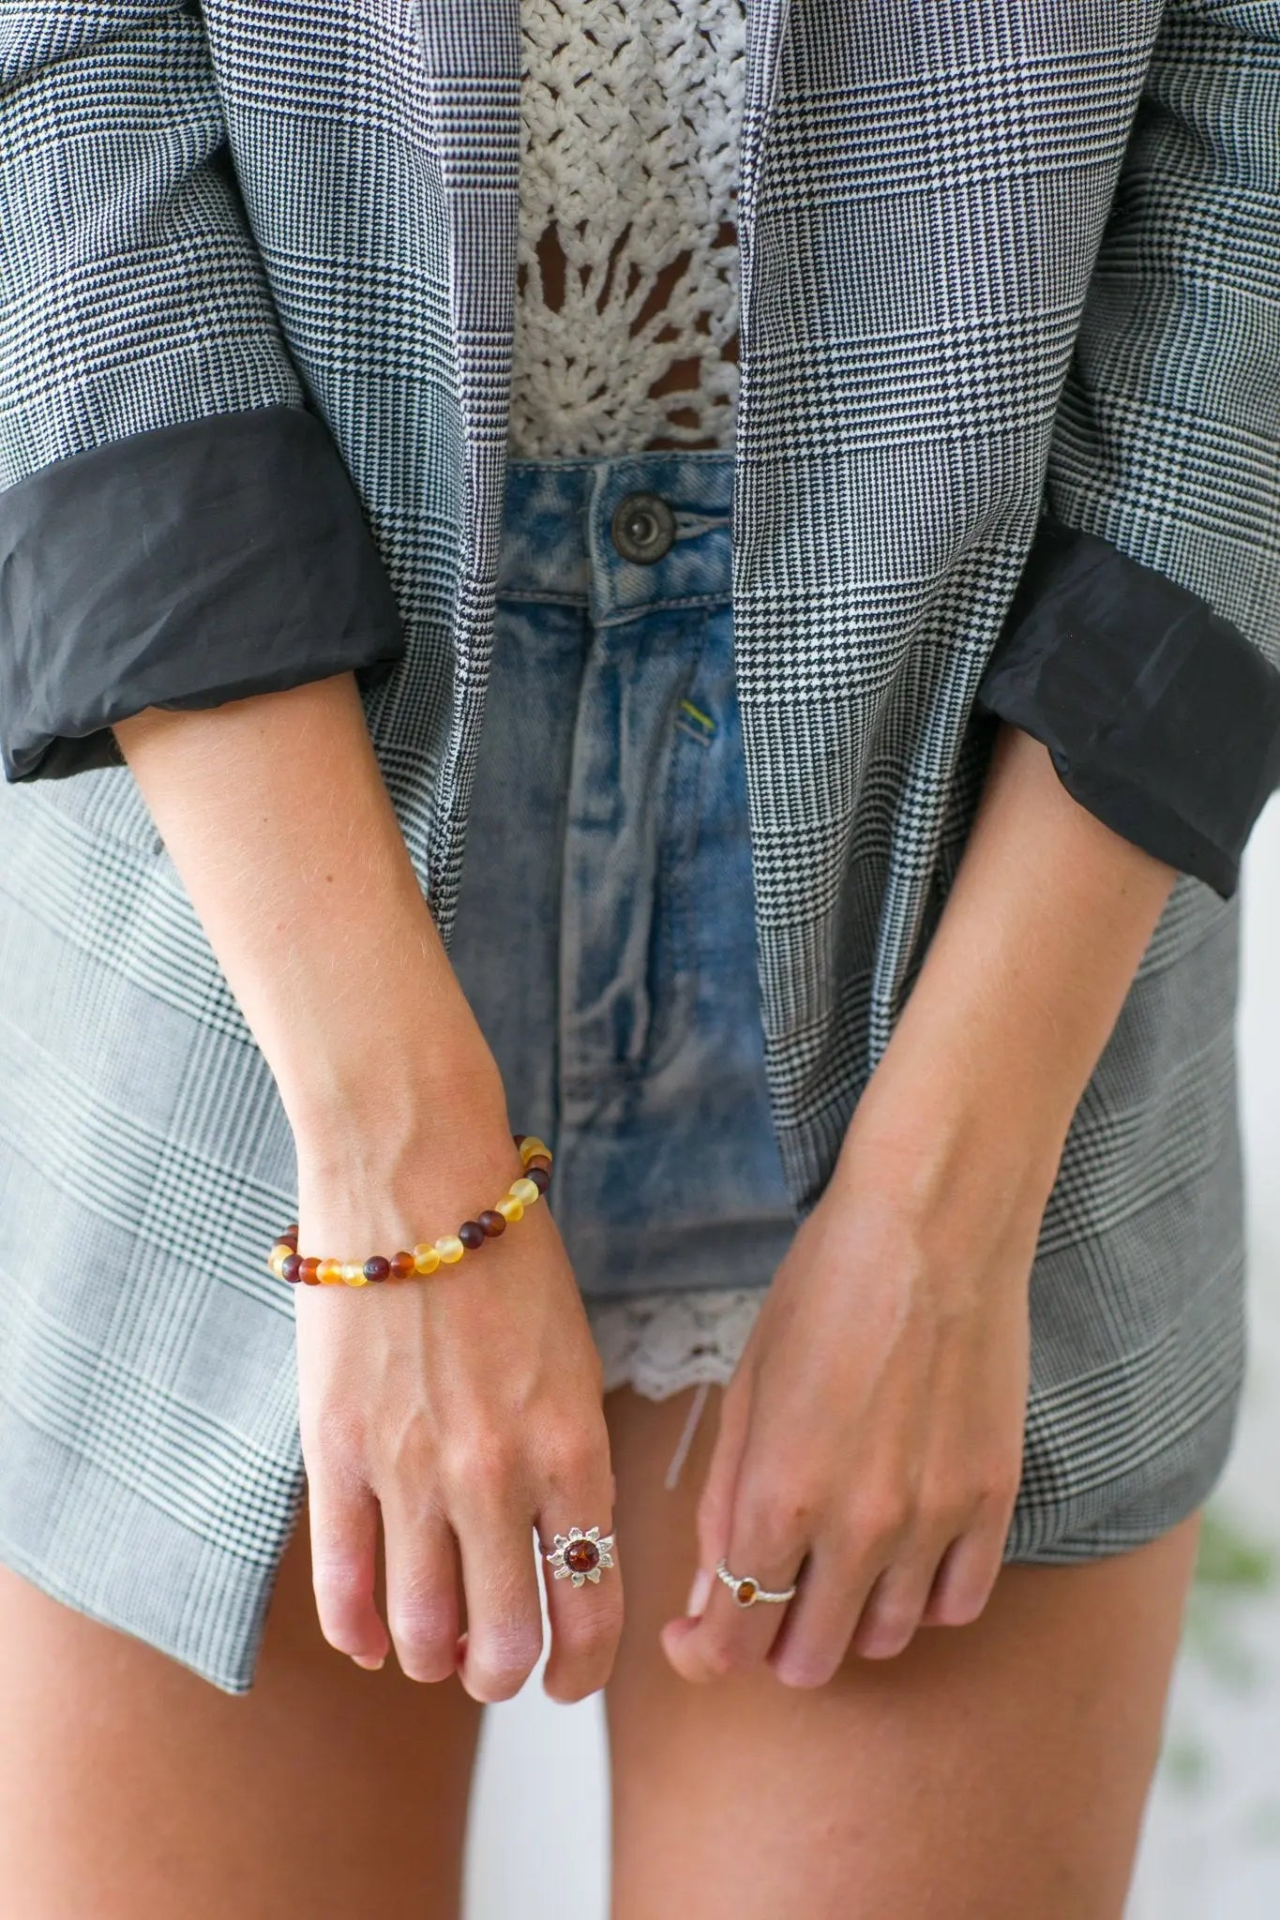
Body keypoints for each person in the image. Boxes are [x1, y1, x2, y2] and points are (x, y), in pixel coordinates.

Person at [0, 2, 1277, 1915]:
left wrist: (948, 1205)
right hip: (240, 924)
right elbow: (52, 72)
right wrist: (381, 1143)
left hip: (981, 912)